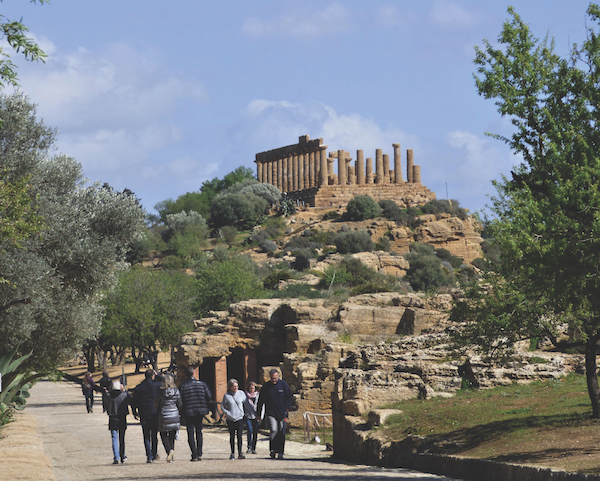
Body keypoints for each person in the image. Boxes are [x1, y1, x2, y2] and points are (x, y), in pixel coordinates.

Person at [257, 369, 293, 460]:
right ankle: (273, 450)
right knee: (273, 430)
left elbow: (289, 397)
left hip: (282, 412)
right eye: (272, 378)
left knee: (281, 432)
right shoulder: (266, 387)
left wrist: (285, 408)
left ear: (278, 377)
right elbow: (261, 401)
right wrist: (258, 413)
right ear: (270, 377)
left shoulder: (283, 385)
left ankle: (280, 451)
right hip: (271, 412)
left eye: (275, 378)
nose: (274, 380)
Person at [178, 365, 212, 462]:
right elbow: (209, 397)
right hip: (200, 411)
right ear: (193, 373)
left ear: (185, 374)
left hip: (188, 411)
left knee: (190, 432)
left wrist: (181, 410)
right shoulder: (202, 384)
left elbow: (180, 400)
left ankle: (194, 453)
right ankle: (200, 452)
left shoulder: (183, 386)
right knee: (199, 432)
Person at [132, 369, 162, 463]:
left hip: (143, 412)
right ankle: (154, 453)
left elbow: (134, 402)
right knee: (154, 435)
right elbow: (162, 380)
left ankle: (148, 455)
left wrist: (134, 412)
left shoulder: (139, 387)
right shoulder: (157, 385)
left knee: (146, 436)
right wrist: (158, 375)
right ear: (153, 376)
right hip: (154, 412)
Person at [221, 378, 255, 460]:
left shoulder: (241, 393)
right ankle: (232, 453)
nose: (236, 388)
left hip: (239, 418)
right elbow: (222, 407)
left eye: (237, 386)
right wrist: (228, 413)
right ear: (230, 387)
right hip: (230, 418)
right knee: (232, 436)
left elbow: (247, 404)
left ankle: (240, 453)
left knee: (239, 436)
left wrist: (255, 412)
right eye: (234, 386)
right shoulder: (227, 395)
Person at [156, 373, 182, 463]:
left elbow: (157, 404)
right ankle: (172, 453)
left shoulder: (160, 392)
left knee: (163, 434)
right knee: (172, 436)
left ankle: (169, 451)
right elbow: (179, 404)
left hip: (164, 415)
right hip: (174, 415)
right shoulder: (176, 391)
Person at [107, 380, 132, 464]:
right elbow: (130, 398)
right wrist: (124, 390)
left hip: (113, 417)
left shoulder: (108, 396)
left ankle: (116, 457)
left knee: (114, 438)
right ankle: (122, 455)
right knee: (122, 438)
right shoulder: (124, 395)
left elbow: (106, 404)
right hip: (122, 417)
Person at [245, 381, 261, 454]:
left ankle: (254, 447)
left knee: (255, 432)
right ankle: (249, 447)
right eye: (250, 388)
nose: (252, 390)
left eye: (253, 388)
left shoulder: (258, 395)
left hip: (256, 416)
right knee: (250, 430)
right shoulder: (245, 396)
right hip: (248, 415)